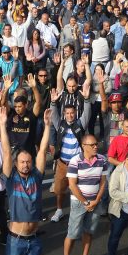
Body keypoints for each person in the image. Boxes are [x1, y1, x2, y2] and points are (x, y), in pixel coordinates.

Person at [0, 106, 51, 255]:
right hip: (16, 240)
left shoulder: (37, 178)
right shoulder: (11, 180)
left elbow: (42, 151)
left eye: (28, 161)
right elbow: (7, 152)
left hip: (34, 239)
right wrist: (2, 126)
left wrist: (47, 126)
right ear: (17, 163)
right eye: (23, 162)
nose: (26, 164)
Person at [61, 134, 108, 255]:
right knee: (73, 233)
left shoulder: (102, 160)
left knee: (89, 231)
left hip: (95, 202)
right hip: (79, 203)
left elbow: (103, 182)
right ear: (84, 146)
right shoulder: (75, 161)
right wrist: (86, 202)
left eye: (96, 144)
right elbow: (72, 186)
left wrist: (96, 200)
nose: (96, 146)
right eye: (92, 145)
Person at [49, 90, 91, 222]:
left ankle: (77, 212)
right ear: (64, 114)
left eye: (72, 113)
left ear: (75, 113)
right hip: (62, 163)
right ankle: (59, 210)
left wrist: (87, 99)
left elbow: (87, 114)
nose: (70, 115)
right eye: (67, 113)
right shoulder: (60, 124)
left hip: (77, 165)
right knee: (59, 190)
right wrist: (53, 102)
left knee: (77, 190)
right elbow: (53, 114)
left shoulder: (80, 124)